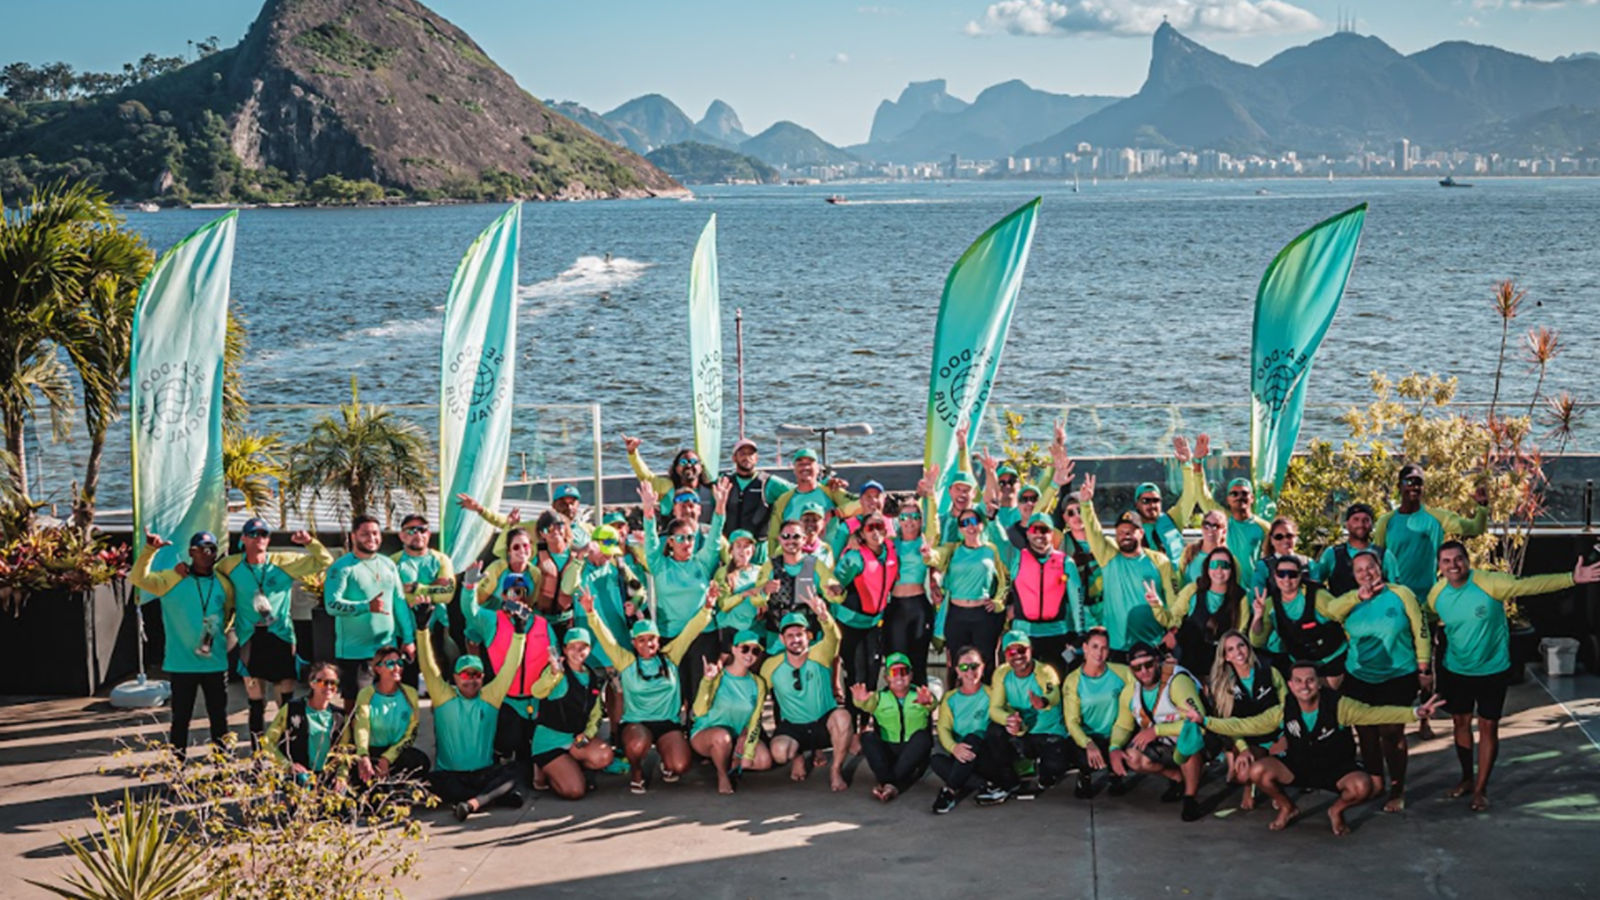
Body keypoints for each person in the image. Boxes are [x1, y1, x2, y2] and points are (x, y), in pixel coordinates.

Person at [1427, 542, 1599, 812]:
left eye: (1458, 559)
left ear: (1467, 561)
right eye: (1446, 561)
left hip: (1492, 670)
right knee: (1460, 723)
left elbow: (1530, 584)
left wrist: (1571, 578)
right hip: (1456, 670)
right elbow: (1425, 620)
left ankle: (1481, 789)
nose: (1453, 565)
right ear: (1440, 566)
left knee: (1487, 727)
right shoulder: (1436, 595)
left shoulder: (1489, 583)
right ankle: (1467, 778)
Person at [1192, 660, 1444, 835]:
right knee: (1257, 772)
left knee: (1364, 786)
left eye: (1310, 680)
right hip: (1298, 766)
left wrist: (1414, 712)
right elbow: (1245, 724)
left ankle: (1337, 810)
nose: (1305, 686)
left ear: (1319, 683)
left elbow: (1375, 713)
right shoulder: (1283, 710)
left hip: (1336, 768)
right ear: (1290, 685)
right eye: (1299, 681)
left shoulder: (1340, 705)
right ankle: (1288, 807)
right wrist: (1205, 720)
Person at [1322, 550, 1430, 811]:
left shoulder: (1401, 593)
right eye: (1359, 570)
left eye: (1370, 567)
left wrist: (1424, 666)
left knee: (1391, 733)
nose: (1366, 573)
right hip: (1359, 676)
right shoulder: (1351, 601)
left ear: (1379, 567)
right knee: (1367, 734)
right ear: (1354, 576)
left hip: (1398, 674)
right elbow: (1330, 611)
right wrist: (1357, 596)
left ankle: (1397, 788)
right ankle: (1376, 781)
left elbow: (1421, 628)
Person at [582, 587, 715, 794]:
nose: (648, 644)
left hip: (667, 723)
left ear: (658, 640)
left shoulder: (670, 656)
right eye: (641, 640)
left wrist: (708, 606)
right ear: (634, 643)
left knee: (680, 765)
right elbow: (606, 638)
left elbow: (690, 631)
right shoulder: (626, 661)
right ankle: (637, 771)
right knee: (636, 744)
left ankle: (667, 762)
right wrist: (591, 613)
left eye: (651, 639)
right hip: (637, 723)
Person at [215, 518, 333, 746]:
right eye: (254, 533)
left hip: (280, 636)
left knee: (285, 701)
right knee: (256, 702)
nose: (259, 538)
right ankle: (258, 756)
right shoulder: (229, 565)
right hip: (250, 637)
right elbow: (213, 578)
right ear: (244, 538)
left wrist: (309, 542)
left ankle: (289, 752)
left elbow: (324, 560)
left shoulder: (283, 561)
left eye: (264, 534)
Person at [415, 602, 529, 821]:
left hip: (482, 774)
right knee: (425, 782)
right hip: (450, 776)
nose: (471, 680)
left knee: (517, 771)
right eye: (465, 675)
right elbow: (428, 667)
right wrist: (422, 631)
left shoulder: (490, 696)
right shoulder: (443, 695)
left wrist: (519, 632)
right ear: (455, 678)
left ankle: (472, 804)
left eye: (476, 675)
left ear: (483, 678)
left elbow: (509, 667)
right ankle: (491, 798)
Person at [131, 529, 236, 756]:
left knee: (219, 720)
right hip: (181, 665)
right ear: (191, 551)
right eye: (201, 549)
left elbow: (229, 614)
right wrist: (150, 551)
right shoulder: (173, 578)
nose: (207, 554)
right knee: (180, 721)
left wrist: (215, 634)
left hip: (215, 664)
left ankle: (223, 770)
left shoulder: (223, 583)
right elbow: (138, 578)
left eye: (212, 550)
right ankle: (178, 770)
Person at [638, 479, 729, 706]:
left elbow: (715, 537)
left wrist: (720, 506)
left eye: (690, 537)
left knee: (701, 689)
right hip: (672, 635)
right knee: (677, 691)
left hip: (703, 635)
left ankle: (697, 730)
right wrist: (648, 510)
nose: (687, 542)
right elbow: (650, 541)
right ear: (670, 541)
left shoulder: (702, 563)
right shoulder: (660, 566)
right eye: (680, 538)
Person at [460, 569, 558, 778]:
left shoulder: (542, 624)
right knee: (508, 740)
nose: (518, 597)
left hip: (537, 700)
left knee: (530, 757)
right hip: (507, 701)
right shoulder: (491, 621)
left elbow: (555, 658)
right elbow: (471, 612)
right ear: (503, 596)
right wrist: (469, 587)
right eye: (512, 592)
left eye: (522, 592)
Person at [1074, 470, 1177, 658]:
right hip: (1116, 646)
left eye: (1131, 531)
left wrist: (1173, 630)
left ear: (1141, 533)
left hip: (1153, 644)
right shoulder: (1109, 558)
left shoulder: (1159, 560)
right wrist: (1086, 504)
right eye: (1121, 532)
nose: (1125, 535)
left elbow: (1172, 600)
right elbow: (1094, 533)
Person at [761, 599, 853, 791]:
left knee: (843, 717)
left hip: (822, 724)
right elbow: (757, 698)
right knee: (779, 752)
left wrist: (824, 616)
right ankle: (798, 756)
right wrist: (748, 733)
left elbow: (834, 638)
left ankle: (835, 770)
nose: (795, 640)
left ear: (808, 636)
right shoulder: (771, 666)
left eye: (799, 635)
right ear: (782, 639)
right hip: (794, 727)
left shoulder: (819, 654)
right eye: (790, 635)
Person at [1108, 642, 1207, 821]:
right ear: (1131, 670)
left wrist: (1157, 730)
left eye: (1148, 664)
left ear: (1157, 661)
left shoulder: (1177, 681)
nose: (1144, 671)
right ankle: (1177, 777)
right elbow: (1123, 725)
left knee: (1187, 742)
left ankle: (1190, 798)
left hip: (1199, 739)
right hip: (1166, 742)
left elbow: (1197, 720)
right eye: (1137, 668)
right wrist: (1114, 748)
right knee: (1132, 756)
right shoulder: (1130, 691)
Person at [323, 516, 415, 709]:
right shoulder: (341, 568)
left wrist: (408, 639)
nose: (371, 538)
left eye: (375, 533)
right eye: (365, 534)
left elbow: (399, 603)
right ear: (353, 536)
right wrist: (365, 606)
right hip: (355, 654)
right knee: (357, 708)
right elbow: (331, 605)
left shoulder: (388, 564)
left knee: (387, 704)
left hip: (387, 650)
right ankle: (354, 741)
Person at [978, 631, 1073, 804]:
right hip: (1021, 731)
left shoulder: (1045, 671)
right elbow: (994, 709)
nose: (1017, 656)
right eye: (1011, 652)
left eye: (1021, 650)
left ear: (1030, 650)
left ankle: (1040, 766)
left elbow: (1054, 696)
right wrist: (1009, 720)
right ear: (1005, 655)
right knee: (994, 731)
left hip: (1047, 733)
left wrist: (1043, 702)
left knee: (1052, 774)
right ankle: (1010, 780)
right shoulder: (1001, 673)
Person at [1375, 463, 1489, 601]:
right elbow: (1376, 561)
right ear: (1399, 486)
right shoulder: (1386, 521)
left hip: (1428, 600)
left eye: (1419, 483)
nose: (1414, 486)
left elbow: (1475, 528)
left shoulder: (1437, 517)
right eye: (1409, 482)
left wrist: (1482, 507)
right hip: (1395, 599)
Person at [527, 628, 615, 799]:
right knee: (575, 791)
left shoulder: (592, 677)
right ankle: (544, 770)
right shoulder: (557, 672)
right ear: (565, 649)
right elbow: (537, 691)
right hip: (549, 743)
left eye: (583, 647)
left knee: (605, 756)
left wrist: (587, 736)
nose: (578, 652)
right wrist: (552, 674)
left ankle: (570, 766)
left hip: (574, 739)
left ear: (589, 649)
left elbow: (596, 715)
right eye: (573, 647)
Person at [1205, 630, 1286, 811]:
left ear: (1248, 647)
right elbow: (1228, 725)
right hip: (1250, 738)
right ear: (1225, 657)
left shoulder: (1270, 672)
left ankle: (1276, 790)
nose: (1238, 652)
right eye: (1231, 650)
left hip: (1278, 734)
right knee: (1242, 774)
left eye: (1241, 646)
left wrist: (1284, 738)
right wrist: (1243, 748)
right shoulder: (1222, 685)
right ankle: (1249, 786)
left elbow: (1288, 708)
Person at [828, 509, 898, 714]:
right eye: (870, 528)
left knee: (872, 673)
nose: (876, 532)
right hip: (852, 622)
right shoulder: (855, 558)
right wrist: (837, 588)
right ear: (862, 534)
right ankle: (852, 723)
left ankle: (866, 725)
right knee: (855, 676)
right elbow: (836, 582)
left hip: (875, 622)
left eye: (880, 527)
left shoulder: (891, 552)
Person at [690, 630, 775, 794]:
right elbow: (699, 710)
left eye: (755, 651)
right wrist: (707, 681)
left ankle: (730, 760)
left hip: (736, 737)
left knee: (763, 761)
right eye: (745, 649)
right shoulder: (717, 676)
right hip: (706, 734)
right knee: (722, 737)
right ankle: (722, 775)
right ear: (734, 649)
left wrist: (746, 747)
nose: (749, 654)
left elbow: (755, 720)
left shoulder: (758, 683)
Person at [923, 505, 1009, 664]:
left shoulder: (992, 550)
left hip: (983, 615)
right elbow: (936, 557)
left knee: (986, 661)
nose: (970, 526)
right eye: (964, 523)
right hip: (957, 615)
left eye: (973, 521)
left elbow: (1004, 580)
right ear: (960, 529)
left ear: (981, 524)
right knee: (956, 663)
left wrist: (998, 603)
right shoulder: (953, 549)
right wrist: (928, 554)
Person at [1149, 546, 1247, 677]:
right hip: (1188, 663)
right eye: (1214, 565)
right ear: (1207, 568)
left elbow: (1242, 634)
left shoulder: (1241, 597)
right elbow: (1172, 620)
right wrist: (1157, 605)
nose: (1218, 570)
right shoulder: (1193, 590)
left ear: (1232, 570)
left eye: (1224, 565)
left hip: (1221, 669)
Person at [851, 652, 936, 802]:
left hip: (912, 752)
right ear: (886, 677)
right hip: (889, 749)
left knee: (923, 738)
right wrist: (859, 700)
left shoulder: (920, 694)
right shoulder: (879, 697)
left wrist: (928, 702)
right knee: (867, 737)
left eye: (904, 672)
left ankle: (887, 783)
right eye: (893, 672)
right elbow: (866, 704)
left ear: (911, 675)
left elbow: (932, 703)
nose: (899, 676)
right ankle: (891, 784)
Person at [1248, 554, 1347, 681]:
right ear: (1274, 576)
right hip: (1302, 662)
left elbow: (1340, 612)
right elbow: (1257, 641)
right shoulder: (1269, 604)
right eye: (1281, 574)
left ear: (1300, 576)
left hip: (1331, 656)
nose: (1286, 578)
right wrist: (1258, 617)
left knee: (1330, 696)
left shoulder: (1317, 595)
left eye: (1292, 574)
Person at [1007, 513, 1082, 676]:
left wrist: (1079, 633)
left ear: (1052, 534)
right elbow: (1004, 589)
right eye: (1035, 529)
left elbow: (1077, 601)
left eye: (1045, 530)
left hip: (1056, 634)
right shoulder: (1018, 559)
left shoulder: (1066, 562)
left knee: (1056, 681)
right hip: (1023, 634)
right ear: (1028, 533)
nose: (1039, 534)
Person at [1062, 628, 1134, 799]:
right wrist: (1087, 743)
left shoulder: (1123, 673)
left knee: (1135, 756)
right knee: (1074, 754)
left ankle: (1115, 774)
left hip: (1116, 735)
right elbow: (1071, 721)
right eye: (1094, 647)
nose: (1099, 653)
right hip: (1089, 737)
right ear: (1085, 648)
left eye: (1104, 648)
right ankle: (1084, 775)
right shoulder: (1073, 680)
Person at [930, 646, 1002, 814]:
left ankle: (950, 791)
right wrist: (954, 748)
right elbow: (943, 729)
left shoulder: (992, 694)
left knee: (972, 739)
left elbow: (1005, 717)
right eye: (964, 667)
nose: (970, 671)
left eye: (975, 666)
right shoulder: (950, 698)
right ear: (957, 671)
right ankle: (985, 785)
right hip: (961, 756)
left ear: (983, 667)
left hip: (986, 755)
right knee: (936, 761)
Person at [389, 513, 456, 689]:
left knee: (440, 686)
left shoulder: (441, 559)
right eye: (411, 530)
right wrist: (434, 585)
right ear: (402, 535)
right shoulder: (393, 562)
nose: (417, 534)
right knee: (405, 687)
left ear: (428, 534)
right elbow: (396, 598)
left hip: (436, 631)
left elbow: (447, 594)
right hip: (404, 633)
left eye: (422, 529)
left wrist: (416, 588)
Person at [752, 519, 837, 653]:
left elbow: (835, 593)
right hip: (777, 635)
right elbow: (755, 599)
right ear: (780, 539)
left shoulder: (815, 565)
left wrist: (835, 592)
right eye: (786, 536)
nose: (791, 540)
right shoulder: (770, 566)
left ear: (804, 539)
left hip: (807, 636)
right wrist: (764, 591)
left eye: (796, 536)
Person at [348, 645, 429, 786]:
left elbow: (411, 733)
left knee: (420, 762)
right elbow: (362, 727)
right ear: (378, 668)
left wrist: (387, 758)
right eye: (391, 664)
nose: (397, 667)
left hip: (395, 752)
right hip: (371, 751)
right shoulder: (366, 694)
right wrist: (363, 755)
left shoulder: (410, 693)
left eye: (400, 663)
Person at [263, 661, 347, 784]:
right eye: (322, 682)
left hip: (328, 778)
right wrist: (287, 765)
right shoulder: (292, 709)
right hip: (300, 777)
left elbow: (345, 752)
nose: (328, 686)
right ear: (312, 683)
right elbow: (267, 742)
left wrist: (341, 777)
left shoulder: (340, 716)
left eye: (333, 682)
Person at [765, 448, 859, 558]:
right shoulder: (784, 500)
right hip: (795, 562)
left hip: (829, 560)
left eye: (809, 463)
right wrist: (773, 563)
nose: (805, 467)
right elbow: (773, 536)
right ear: (794, 469)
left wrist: (836, 512)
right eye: (800, 464)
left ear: (818, 468)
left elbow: (862, 504)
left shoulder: (831, 490)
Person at [885, 492, 937, 684]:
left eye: (915, 517)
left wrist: (930, 493)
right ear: (898, 520)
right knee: (896, 663)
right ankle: (897, 709)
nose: (909, 521)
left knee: (918, 663)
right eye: (904, 517)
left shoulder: (926, 542)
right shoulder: (890, 543)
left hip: (918, 607)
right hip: (896, 607)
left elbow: (935, 564)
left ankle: (920, 710)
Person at [719, 437, 788, 553]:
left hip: (758, 548)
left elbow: (798, 490)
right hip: (730, 547)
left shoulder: (768, 483)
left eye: (751, 454)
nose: (747, 457)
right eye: (742, 454)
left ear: (756, 459)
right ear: (734, 458)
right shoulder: (725, 482)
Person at [623, 437, 709, 522]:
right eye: (683, 462)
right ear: (676, 468)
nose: (689, 465)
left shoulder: (711, 490)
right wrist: (632, 452)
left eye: (693, 462)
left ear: (701, 467)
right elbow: (645, 475)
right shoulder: (666, 487)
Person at [1312, 503, 1383, 596]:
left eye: (1366, 520)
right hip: (1342, 609)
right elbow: (1315, 583)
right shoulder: (1333, 553)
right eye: (1356, 520)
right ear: (1347, 524)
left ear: (1372, 525)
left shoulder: (1384, 554)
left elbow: (1394, 587)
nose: (1360, 524)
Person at [713, 530, 765, 654]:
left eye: (746, 546)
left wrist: (762, 602)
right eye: (738, 546)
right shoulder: (723, 573)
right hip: (731, 630)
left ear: (752, 550)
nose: (743, 550)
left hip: (755, 628)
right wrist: (743, 595)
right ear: (731, 550)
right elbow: (723, 605)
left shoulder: (760, 571)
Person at [1177, 509, 1230, 588]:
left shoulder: (1228, 558)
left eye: (1216, 526)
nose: (1210, 529)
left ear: (1224, 531)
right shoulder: (1189, 552)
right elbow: (1180, 580)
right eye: (1206, 525)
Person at [549, 483, 592, 549]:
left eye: (572, 503)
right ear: (554, 506)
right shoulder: (545, 529)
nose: (569, 507)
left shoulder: (588, 529)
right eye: (563, 504)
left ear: (578, 505)